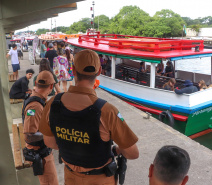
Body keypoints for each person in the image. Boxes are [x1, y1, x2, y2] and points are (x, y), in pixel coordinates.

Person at [39, 49, 139, 185]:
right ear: (99, 72)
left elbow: (50, 143)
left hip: (71, 178)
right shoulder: (107, 111)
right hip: (101, 179)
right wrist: (118, 150)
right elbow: (133, 153)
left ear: (73, 70)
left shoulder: (52, 104)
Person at [22, 71, 59, 185]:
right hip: (40, 155)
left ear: (36, 83)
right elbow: (29, 135)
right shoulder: (35, 106)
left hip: (41, 151)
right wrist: (52, 134)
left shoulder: (37, 99)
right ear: (51, 86)